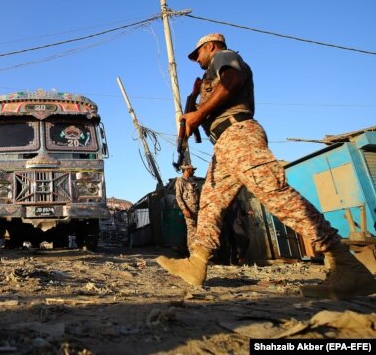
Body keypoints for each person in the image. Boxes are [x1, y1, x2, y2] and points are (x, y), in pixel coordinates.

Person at [156, 33, 376, 299]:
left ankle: (344, 262)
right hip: (225, 143)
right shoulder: (208, 76)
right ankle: (197, 262)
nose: (197, 60)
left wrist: (199, 113)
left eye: (198, 54)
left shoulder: (223, 57)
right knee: (211, 203)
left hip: (239, 134)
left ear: (210, 47)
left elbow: (233, 80)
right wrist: (195, 107)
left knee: (273, 192)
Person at [174, 164, 200, 254]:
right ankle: (193, 254)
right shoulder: (180, 181)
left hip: (197, 210)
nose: (194, 171)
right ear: (188, 169)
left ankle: (198, 254)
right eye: (192, 169)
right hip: (189, 211)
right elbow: (178, 197)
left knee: (198, 232)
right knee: (192, 231)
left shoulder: (191, 181)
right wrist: (184, 209)